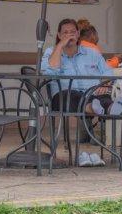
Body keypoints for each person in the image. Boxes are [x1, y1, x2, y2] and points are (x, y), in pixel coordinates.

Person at [40, 18, 114, 166]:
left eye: (73, 32)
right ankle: (96, 107)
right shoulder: (51, 52)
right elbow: (49, 72)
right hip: (64, 96)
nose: (69, 35)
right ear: (59, 35)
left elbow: (108, 73)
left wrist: (105, 84)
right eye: (65, 33)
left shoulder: (92, 53)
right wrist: (60, 46)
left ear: (78, 34)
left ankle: (112, 107)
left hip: (93, 93)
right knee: (73, 96)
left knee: (104, 96)